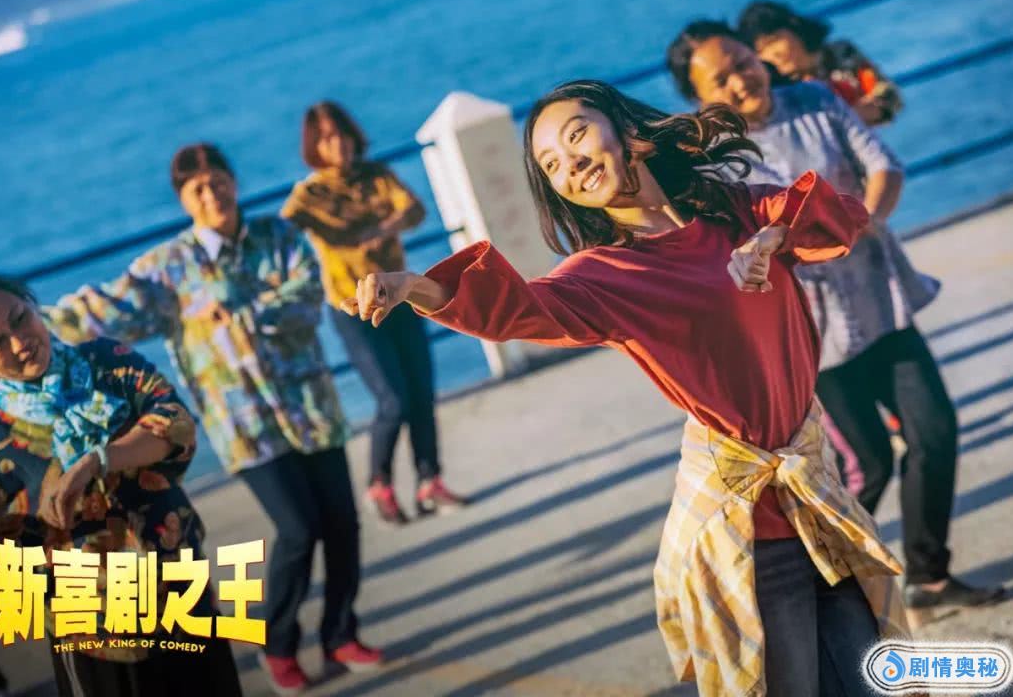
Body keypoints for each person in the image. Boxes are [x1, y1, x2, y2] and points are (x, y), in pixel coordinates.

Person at [339, 79, 910, 696]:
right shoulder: (605, 275)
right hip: (746, 533)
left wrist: (772, 239)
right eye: (551, 164)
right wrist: (415, 287)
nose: (570, 163)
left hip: (816, 499)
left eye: (577, 135)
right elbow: (521, 310)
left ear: (631, 135)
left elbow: (841, 215)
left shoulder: (734, 212)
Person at [667, 21, 1006, 626]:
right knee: (865, 465)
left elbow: (882, 164)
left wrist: (863, 221)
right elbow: (722, 253)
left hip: (879, 300)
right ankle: (818, 591)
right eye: (721, 79)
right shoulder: (710, 165)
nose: (742, 79)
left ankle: (928, 575)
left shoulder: (816, 100)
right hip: (808, 338)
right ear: (700, 98)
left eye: (744, 61)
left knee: (935, 431)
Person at [42, 144, 382, 694]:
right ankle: (278, 643)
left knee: (343, 523)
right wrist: (31, 323)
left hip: (311, 409)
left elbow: (305, 297)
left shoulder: (279, 236)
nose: (211, 194)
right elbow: (103, 308)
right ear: (183, 200)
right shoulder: (167, 269)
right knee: (299, 530)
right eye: (197, 189)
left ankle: (341, 632)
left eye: (218, 181)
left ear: (233, 181)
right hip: (244, 426)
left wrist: (246, 312)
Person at [0, 270, 242, 697]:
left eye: (20, 318)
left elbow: (174, 421)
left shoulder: (108, 361)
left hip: (183, 593)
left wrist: (100, 460)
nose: (20, 341)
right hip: (94, 633)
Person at [281, 101, 466, 526]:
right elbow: (283, 231)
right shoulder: (310, 195)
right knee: (392, 400)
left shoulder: (377, 176)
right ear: (314, 146)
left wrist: (384, 228)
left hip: (398, 298)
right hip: (353, 309)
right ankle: (379, 485)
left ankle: (429, 482)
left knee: (421, 392)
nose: (339, 144)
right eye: (327, 138)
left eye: (343, 134)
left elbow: (414, 210)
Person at [736, 0, 903, 126]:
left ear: (794, 28)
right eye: (760, 51)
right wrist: (850, 117)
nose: (772, 55)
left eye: (773, 41)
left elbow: (890, 96)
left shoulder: (841, 53)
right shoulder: (777, 88)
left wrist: (874, 109)